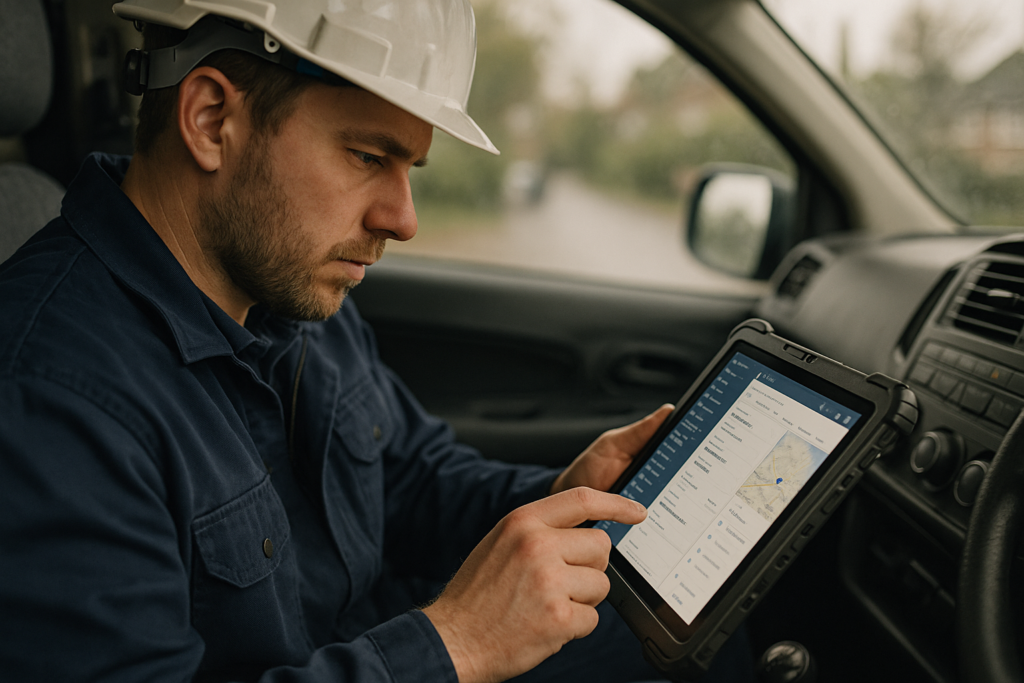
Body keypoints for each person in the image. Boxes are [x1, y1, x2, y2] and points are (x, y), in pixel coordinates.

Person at [0, 1, 753, 681]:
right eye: (368, 156)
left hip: (373, 645)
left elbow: (410, 478)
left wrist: (559, 498)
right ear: (209, 121)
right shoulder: (51, 400)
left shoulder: (286, 284)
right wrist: (454, 642)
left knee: (700, 632)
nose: (403, 217)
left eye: (412, 167)